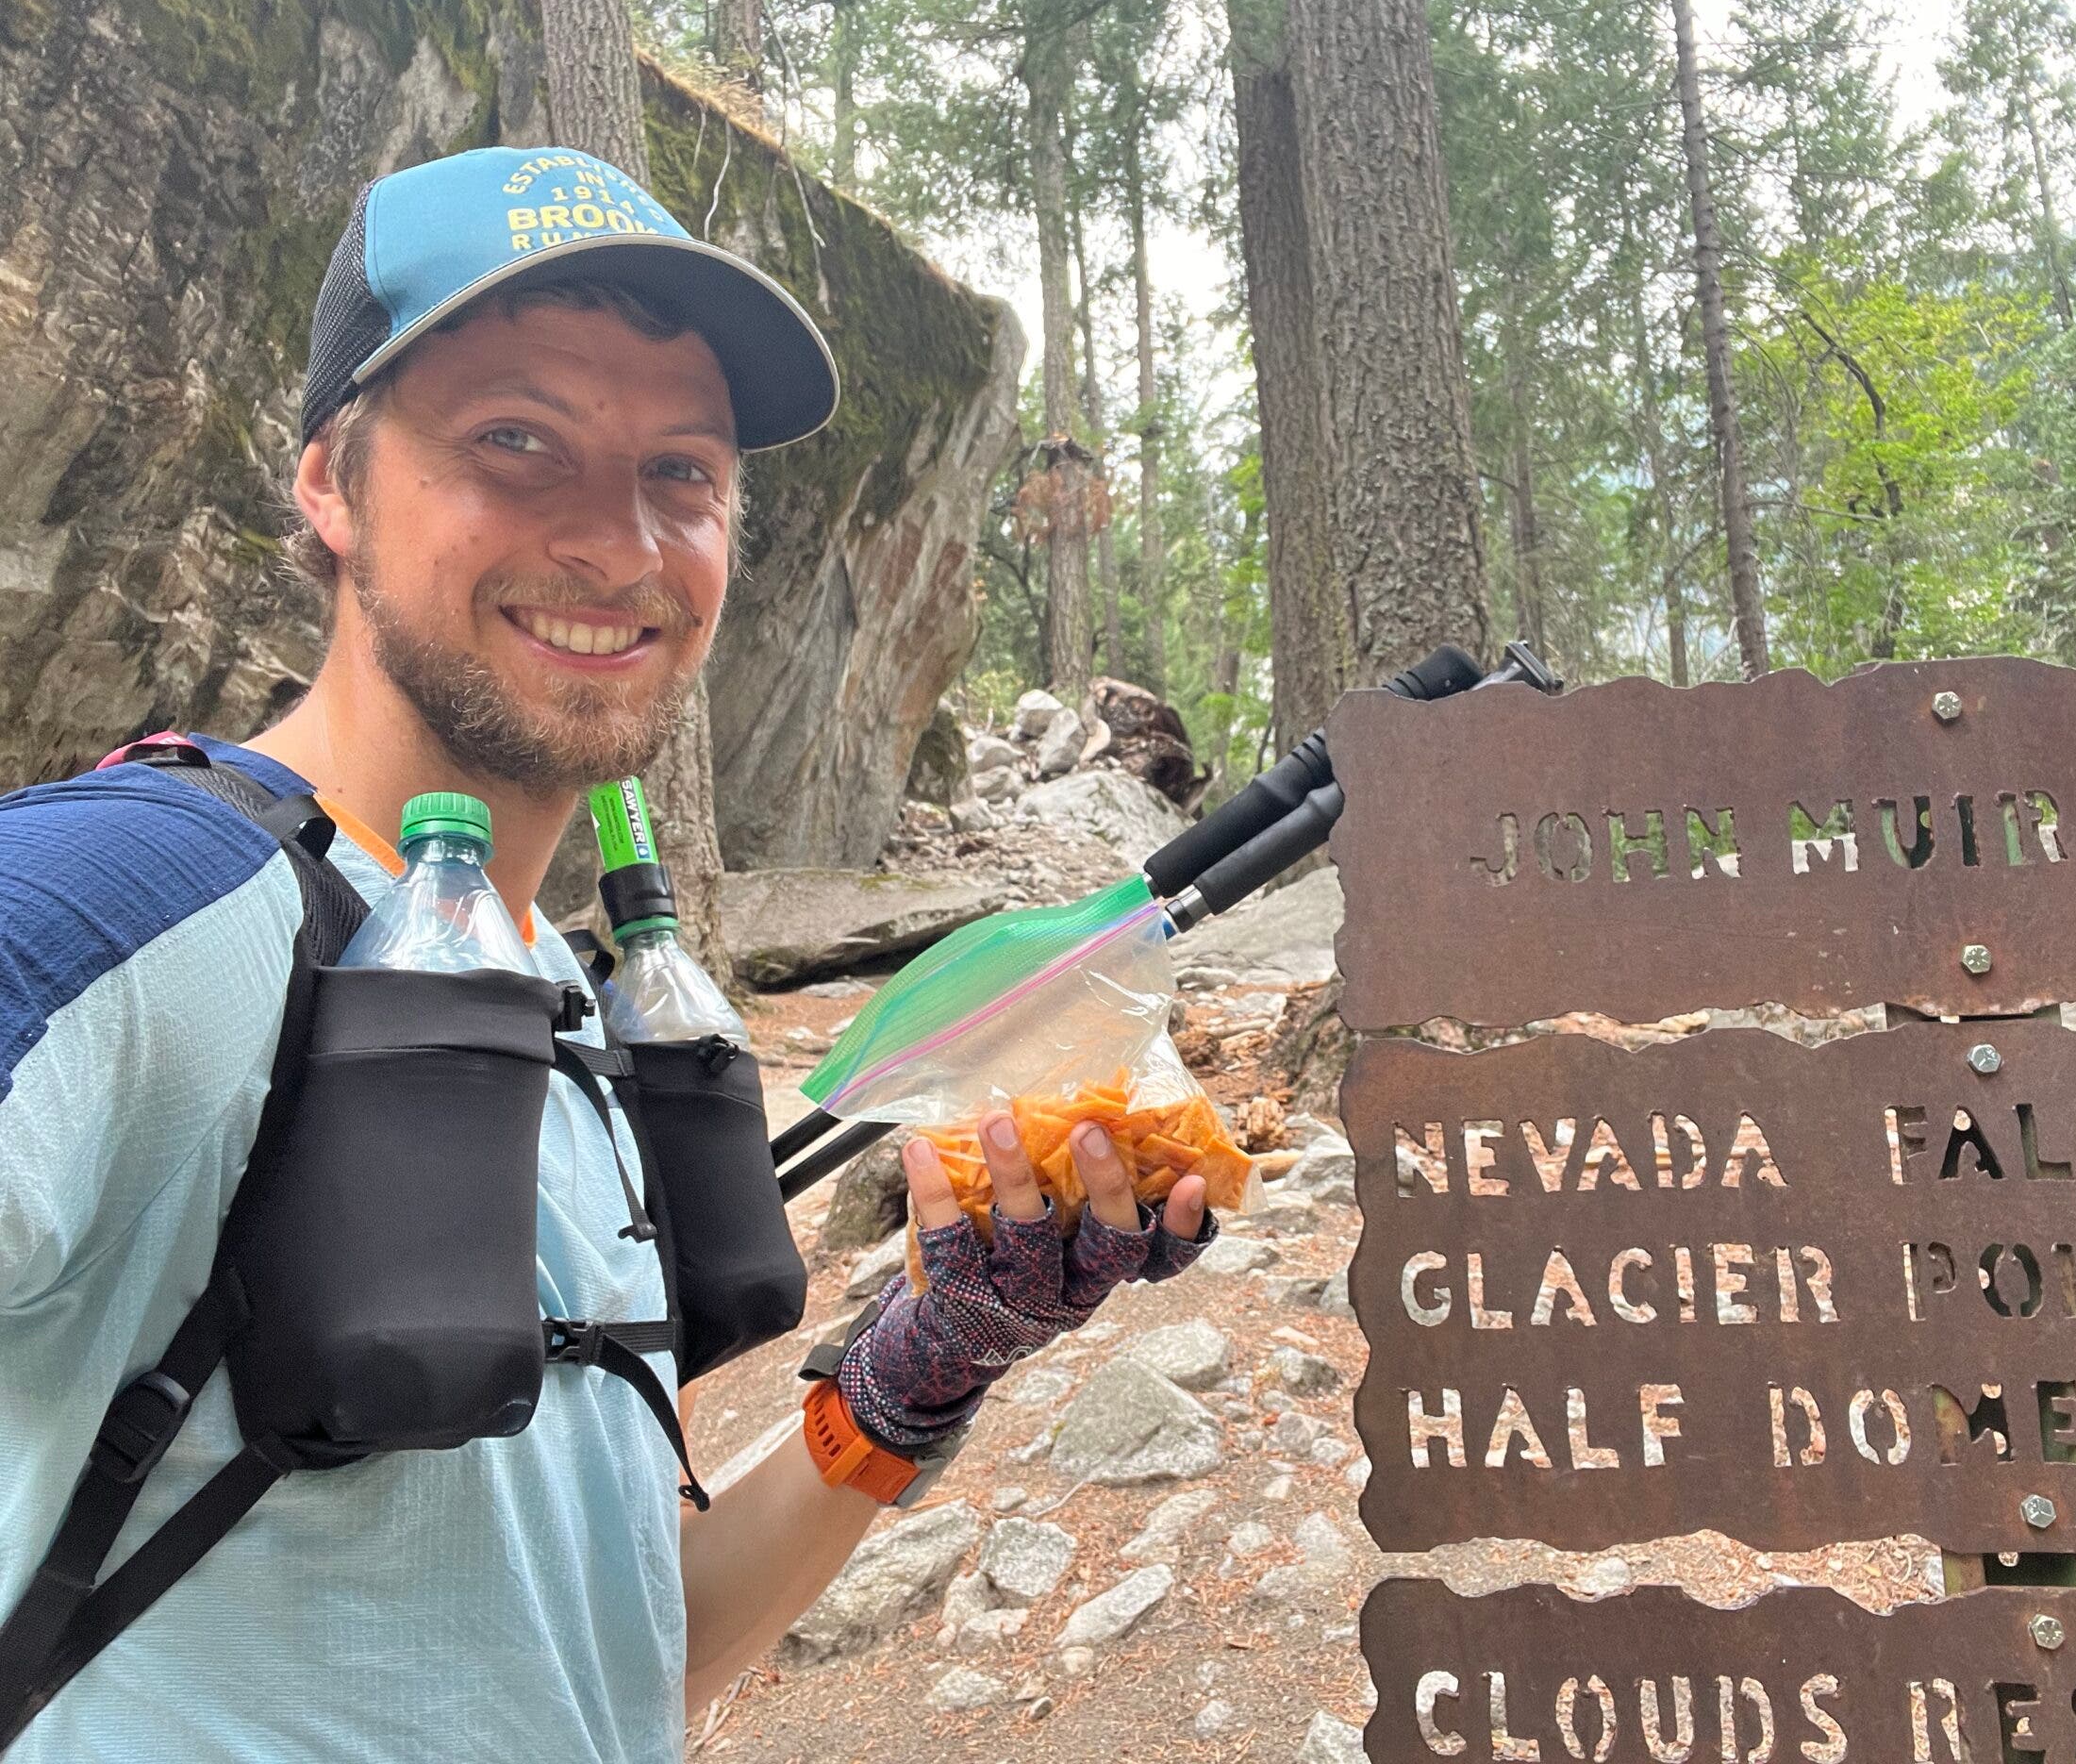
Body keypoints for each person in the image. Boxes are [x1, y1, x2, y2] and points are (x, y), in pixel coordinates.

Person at [0, 144, 1215, 1761]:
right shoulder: (131, 893)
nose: (621, 543)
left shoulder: (570, 1013)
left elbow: (613, 1652)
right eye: (518, 442)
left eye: (684, 474)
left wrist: (931, 1365)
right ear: (329, 481)